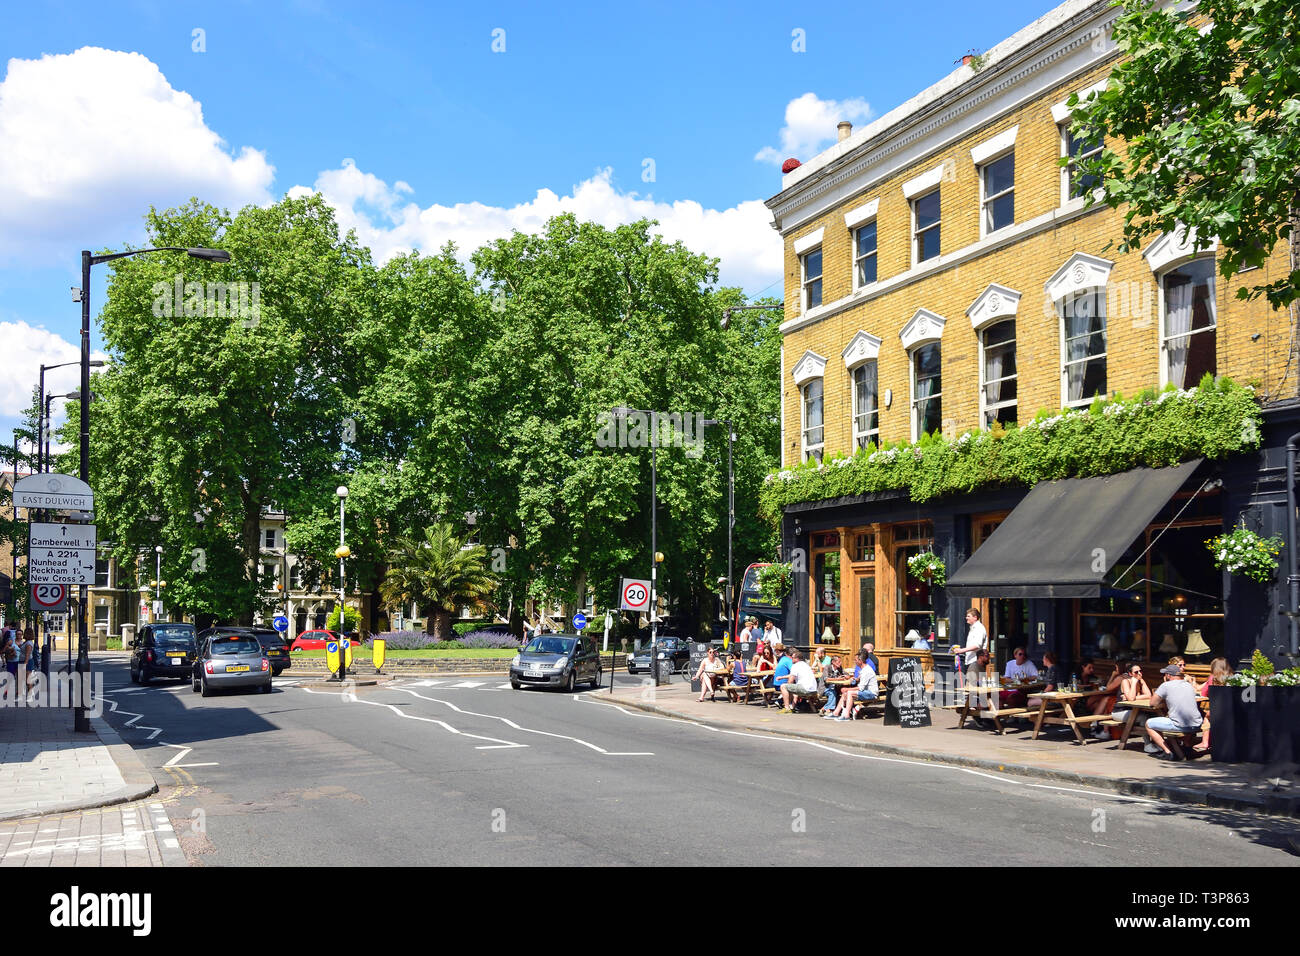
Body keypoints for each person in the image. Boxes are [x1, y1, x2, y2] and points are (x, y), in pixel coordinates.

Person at [1146, 665, 1205, 760]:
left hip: (1181, 725)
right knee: (1182, 719)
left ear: (1168, 675)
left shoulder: (1165, 685)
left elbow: (1152, 703)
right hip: (1197, 723)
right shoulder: (1188, 685)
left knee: (1148, 724)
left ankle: (1167, 752)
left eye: (1165, 674)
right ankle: (1187, 747)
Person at [1193, 658, 1232, 753]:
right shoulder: (1231, 677)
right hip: (1230, 709)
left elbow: (1204, 693)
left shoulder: (1213, 678)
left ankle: (1205, 742)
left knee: (1207, 717)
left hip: (1218, 708)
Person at [829, 655, 879, 720]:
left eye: (855, 660)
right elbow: (861, 681)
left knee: (849, 692)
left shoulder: (867, 671)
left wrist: (847, 689)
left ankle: (846, 716)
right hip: (866, 691)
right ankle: (835, 713)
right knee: (845, 693)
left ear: (860, 661)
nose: (854, 662)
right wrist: (856, 679)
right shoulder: (864, 669)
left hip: (871, 693)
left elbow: (860, 688)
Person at [953, 608, 988, 688]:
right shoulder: (973, 628)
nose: (966, 618)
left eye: (968, 616)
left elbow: (977, 645)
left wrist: (961, 650)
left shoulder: (979, 628)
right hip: (972, 661)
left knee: (973, 689)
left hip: (975, 662)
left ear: (975, 617)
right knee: (972, 689)